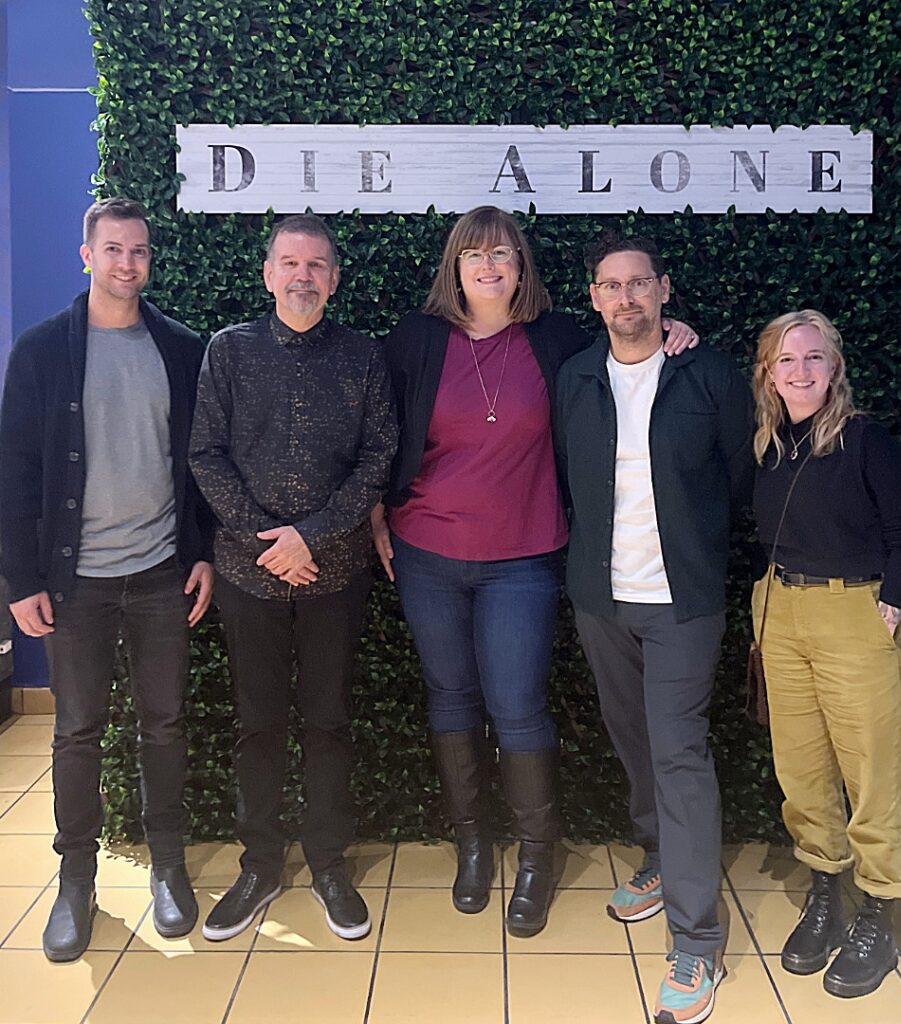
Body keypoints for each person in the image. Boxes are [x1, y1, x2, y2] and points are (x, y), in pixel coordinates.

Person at [372, 206, 698, 938]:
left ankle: (536, 856)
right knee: (451, 697)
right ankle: (471, 844)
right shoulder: (415, 341)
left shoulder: (556, 342)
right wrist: (372, 516)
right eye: (474, 255)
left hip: (523, 556)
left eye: (503, 254)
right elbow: (379, 435)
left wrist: (673, 333)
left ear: (523, 268)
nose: (489, 267)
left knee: (517, 703)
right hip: (427, 553)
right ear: (454, 268)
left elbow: (630, 359)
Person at [0, 197, 214, 961]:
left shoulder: (182, 349)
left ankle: (167, 867)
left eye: (140, 252)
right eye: (114, 250)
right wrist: (18, 579)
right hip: (73, 583)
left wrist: (202, 553)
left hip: (160, 572)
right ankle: (76, 881)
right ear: (86, 255)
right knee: (76, 731)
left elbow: (198, 466)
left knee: (164, 726)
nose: (128, 264)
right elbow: (16, 473)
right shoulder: (41, 352)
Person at [555, 233, 752, 1024]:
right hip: (601, 598)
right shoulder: (574, 376)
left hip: (684, 600)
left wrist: (702, 547)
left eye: (640, 284)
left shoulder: (706, 372)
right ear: (595, 297)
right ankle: (661, 859)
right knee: (632, 738)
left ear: (664, 290)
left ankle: (697, 943)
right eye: (611, 286)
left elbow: (740, 476)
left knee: (678, 752)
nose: (626, 298)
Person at [189, 213, 397, 942]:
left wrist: (311, 535)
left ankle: (329, 862)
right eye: (290, 263)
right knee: (258, 725)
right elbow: (206, 454)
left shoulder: (364, 357)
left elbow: (379, 457)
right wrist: (265, 541)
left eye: (317, 266)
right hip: (250, 578)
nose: (302, 276)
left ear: (334, 279)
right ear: (268, 273)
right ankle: (260, 864)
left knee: (330, 721)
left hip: (336, 571)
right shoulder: (229, 352)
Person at [750, 309, 901, 998]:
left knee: (870, 767)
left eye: (813, 358)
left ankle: (880, 907)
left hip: (855, 610)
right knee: (802, 766)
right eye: (786, 360)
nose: (800, 371)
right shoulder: (767, 444)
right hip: (780, 609)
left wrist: (892, 605)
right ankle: (826, 888)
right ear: (768, 372)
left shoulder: (864, 440)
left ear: (834, 366)